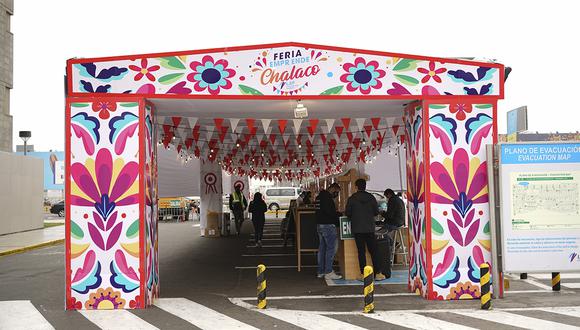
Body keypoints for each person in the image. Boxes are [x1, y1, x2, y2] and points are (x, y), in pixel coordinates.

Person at [345, 178, 385, 281]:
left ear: (356, 187)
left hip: (358, 228)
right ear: (365, 186)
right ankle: (378, 273)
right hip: (369, 228)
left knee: (361, 251)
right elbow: (376, 212)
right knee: (374, 251)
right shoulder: (371, 198)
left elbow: (348, 213)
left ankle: (363, 274)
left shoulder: (352, 198)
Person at [315, 183, 342, 280]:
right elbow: (329, 212)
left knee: (322, 249)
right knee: (331, 249)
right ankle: (328, 271)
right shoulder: (326, 198)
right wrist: (338, 215)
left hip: (319, 225)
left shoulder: (319, 197)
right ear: (333, 188)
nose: (336, 194)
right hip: (328, 225)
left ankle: (321, 271)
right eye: (336, 192)